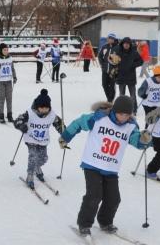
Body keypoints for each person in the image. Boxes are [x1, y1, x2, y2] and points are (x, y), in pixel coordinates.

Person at [59, 96, 151, 235]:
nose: (123, 117)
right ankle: (84, 224)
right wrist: (65, 137)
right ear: (114, 111)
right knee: (94, 195)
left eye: (127, 115)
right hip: (92, 164)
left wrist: (144, 140)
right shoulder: (99, 118)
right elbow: (78, 123)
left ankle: (105, 221)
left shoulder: (131, 126)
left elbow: (136, 141)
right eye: (121, 114)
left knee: (114, 198)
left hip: (111, 168)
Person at [13, 88, 65, 187]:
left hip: (43, 140)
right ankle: (30, 175)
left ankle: (37, 167)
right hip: (31, 139)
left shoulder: (52, 115)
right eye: (42, 107)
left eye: (46, 108)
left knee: (43, 158)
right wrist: (21, 126)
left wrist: (63, 131)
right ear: (37, 107)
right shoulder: (30, 113)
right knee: (33, 156)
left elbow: (59, 124)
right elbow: (17, 121)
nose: (44, 110)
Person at [0, 43, 18, 123]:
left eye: (7, 50)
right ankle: (1, 116)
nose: (6, 51)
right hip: (0, 81)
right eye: (4, 50)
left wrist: (14, 77)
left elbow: (12, 69)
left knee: (9, 99)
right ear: (0, 50)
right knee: (1, 99)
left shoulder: (10, 58)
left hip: (8, 81)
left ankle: (9, 115)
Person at [98, 33, 119, 101]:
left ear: (114, 39)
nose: (109, 39)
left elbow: (120, 59)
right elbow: (100, 56)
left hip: (113, 71)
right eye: (108, 38)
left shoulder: (118, 48)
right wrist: (102, 64)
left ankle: (110, 100)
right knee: (104, 85)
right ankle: (109, 98)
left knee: (112, 86)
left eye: (111, 38)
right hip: (105, 70)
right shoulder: (104, 47)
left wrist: (117, 67)